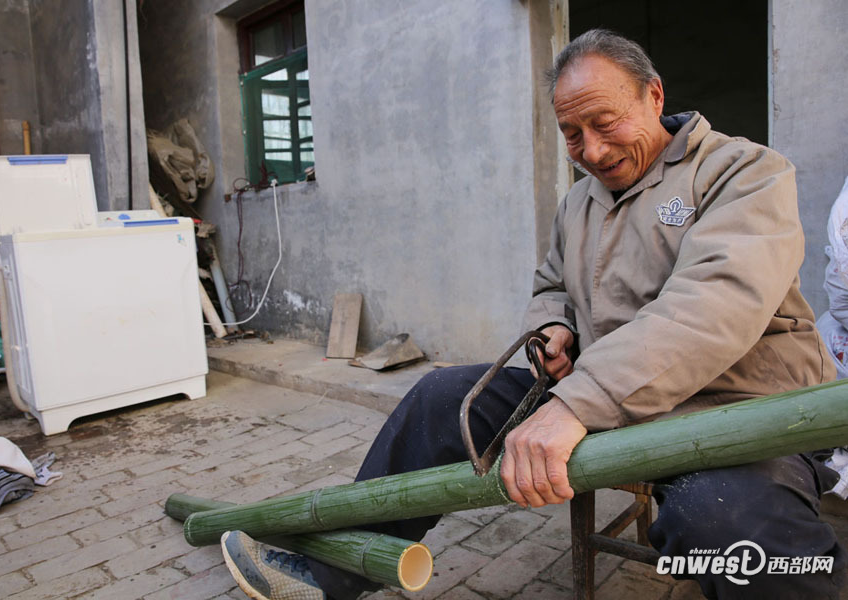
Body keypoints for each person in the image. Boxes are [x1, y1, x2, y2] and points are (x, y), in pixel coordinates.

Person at [221, 29, 847, 600]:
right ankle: (329, 577)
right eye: (572, 134)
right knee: (439, 399)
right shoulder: (579, 203)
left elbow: (714, 305)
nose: (591, 150)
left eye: (604, 122)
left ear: (654, 96)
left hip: (733, 408)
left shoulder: (743, 171)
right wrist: (554, 327)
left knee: (724, 521)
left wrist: (574, 405)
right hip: (608, 403)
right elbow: (552, 283)